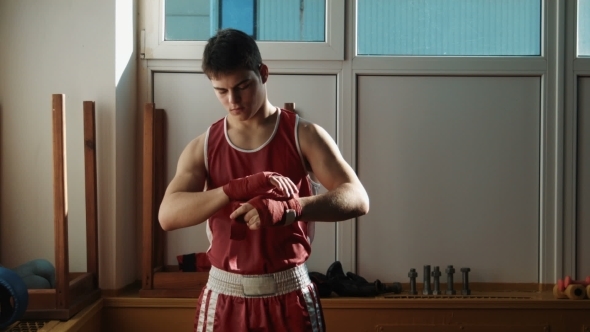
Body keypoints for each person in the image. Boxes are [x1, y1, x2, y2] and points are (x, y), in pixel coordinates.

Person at [158, 28, 369, 332]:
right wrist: (231, 190)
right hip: (225, 297)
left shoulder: (304, 135)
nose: (233, 100)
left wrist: (292, 208)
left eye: (242, 86)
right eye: (221, 90)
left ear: (263, 73)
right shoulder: (203, 146)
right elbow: (167, 215)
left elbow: (357, 198)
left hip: (289, 293)